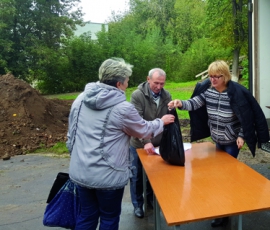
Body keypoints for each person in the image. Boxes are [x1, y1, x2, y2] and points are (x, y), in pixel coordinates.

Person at [66, 58, 175, 230]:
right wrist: (161, 122)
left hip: (80, 172)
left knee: (86, 216)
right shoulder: (122, 108)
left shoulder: (80, 100)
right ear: (119, 83)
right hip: (108, 178)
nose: (128, 83)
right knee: (109, 219)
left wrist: (76, 158)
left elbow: (71, 134)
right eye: (127, 80)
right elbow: (143, 130)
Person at [168, 60, 269, 228]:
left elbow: (247, 116)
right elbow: (194, 103)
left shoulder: (236, 94)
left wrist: (242, 135)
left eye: (217, 76)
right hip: (217, 140)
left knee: (226, 178)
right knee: (218, 177)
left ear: (225, 76)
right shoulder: (209, 92)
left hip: (231, 142)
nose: (213, 80)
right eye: (211, 76)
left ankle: (226, 213)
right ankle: (221, 207)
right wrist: (180, 103)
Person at [129, 68, 172, 218]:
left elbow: (169, 119)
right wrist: (146, 141)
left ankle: (150, 201)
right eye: (156, 83)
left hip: (158, 144)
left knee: (154, 175)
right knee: (137, 176)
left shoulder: (167, 95)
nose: (159, 87)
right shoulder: (137, 96)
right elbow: (136, 122)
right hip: (139, 144)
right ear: (148, 79)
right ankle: (137, 205)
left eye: (162, 83)